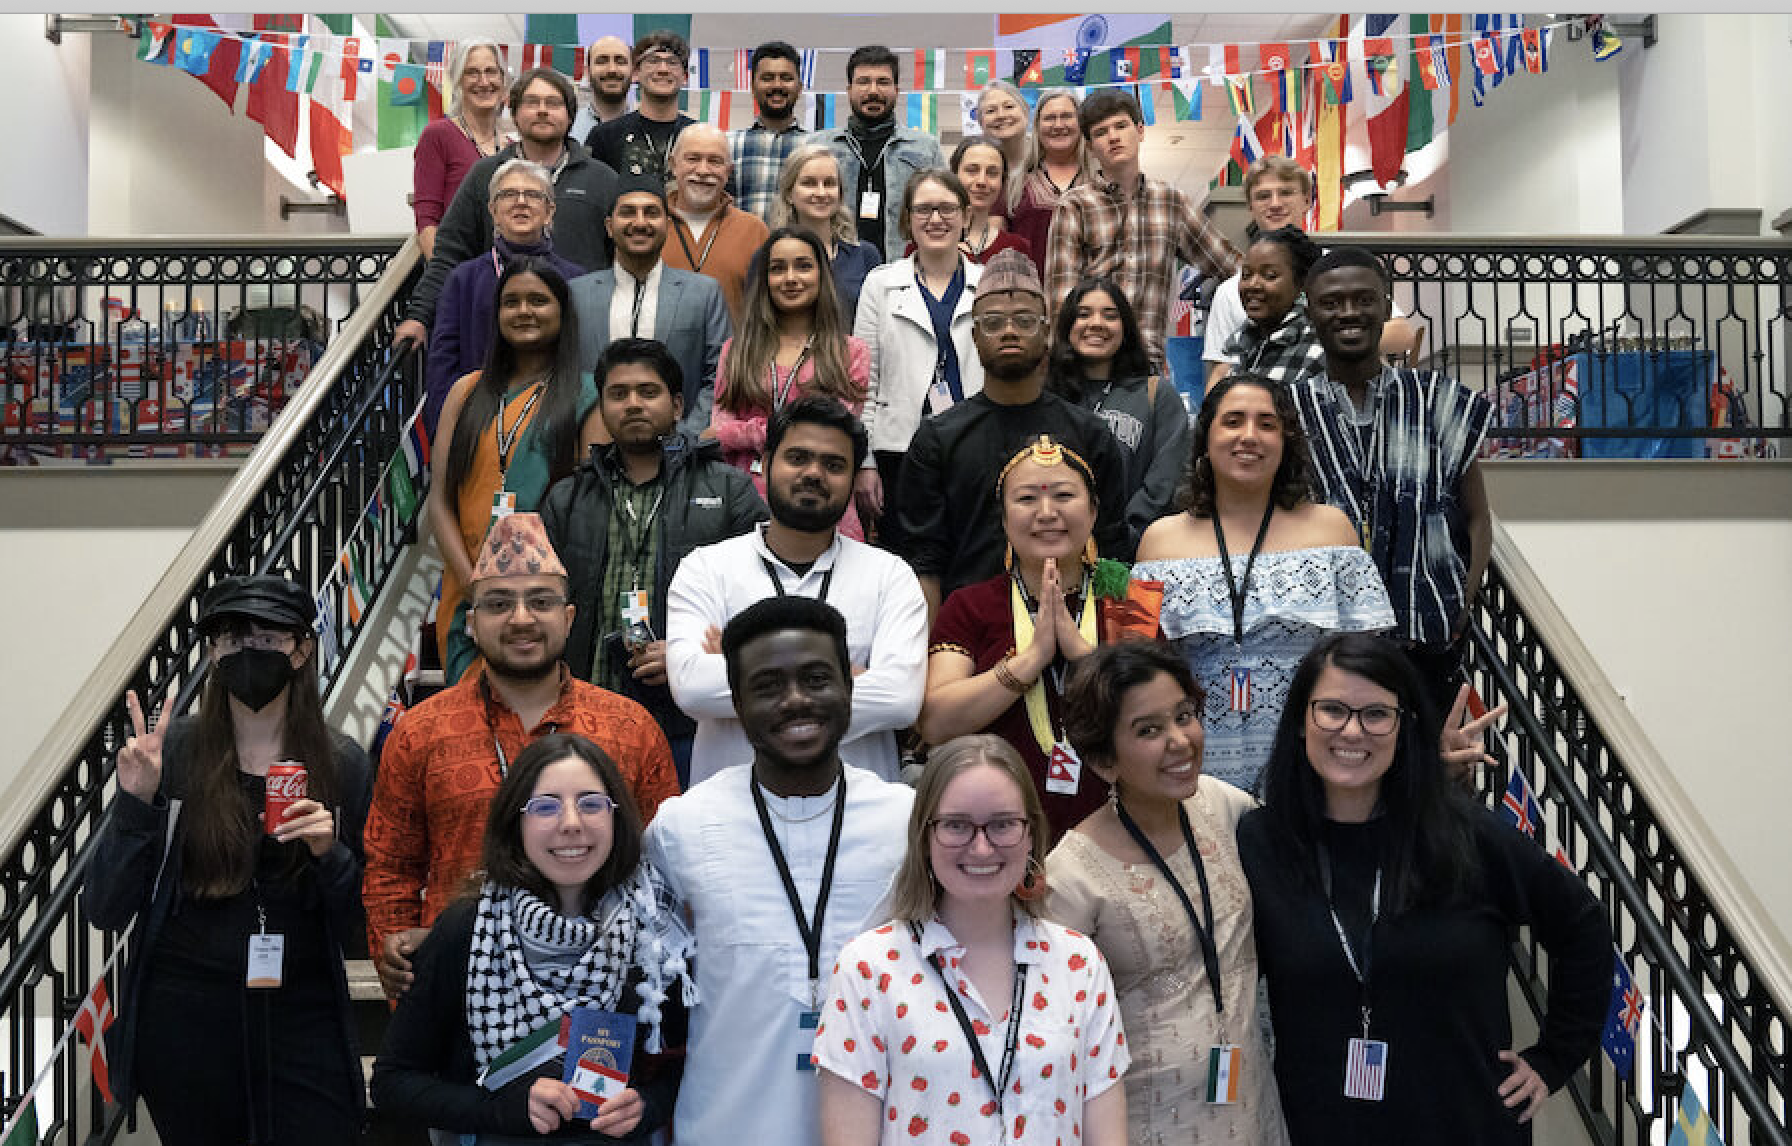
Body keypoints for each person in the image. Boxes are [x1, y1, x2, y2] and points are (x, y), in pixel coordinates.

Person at [1237, 633, 1613, 1145]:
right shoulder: (1261, 842)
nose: (1352, 730)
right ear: (1302, 722)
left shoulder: (1464, 835)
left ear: (1403, 727)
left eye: (1376, 714)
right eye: (1331, 710)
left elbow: (1582, 925)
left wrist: (1553, 1059)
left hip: (1465, 1126)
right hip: (1323, 1128)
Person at [85, 575, 372, 1145]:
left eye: (268, 639)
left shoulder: (341, 763)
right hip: (188, 1015)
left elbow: (361, 928)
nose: (249, 653)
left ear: (302, 648)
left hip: (301, 1008)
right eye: (232, 640)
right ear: (212, 652)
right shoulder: (174, 755)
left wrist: (328, 854)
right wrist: (136, 804)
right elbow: (105, 905)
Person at [364, 513, 678, 1003]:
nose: (522, 619)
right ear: (471, 623)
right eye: (498, 603)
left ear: (569, 618)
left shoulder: (630, 729)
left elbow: (663, 868)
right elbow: (390, 866)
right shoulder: (421, 731)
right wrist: (401, 969)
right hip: (459, 989)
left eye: (541, 601)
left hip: (600, 994)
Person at [644, 596, 915, 1146]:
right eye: (767, 686)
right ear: (738, 704)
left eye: (817, 678)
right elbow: (636, 983)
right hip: (724, 1128)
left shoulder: (908, 823)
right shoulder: (683, 828)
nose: (796, 700)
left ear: (848, 686)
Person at [370, 734, 694, 1144]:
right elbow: (392, 1082)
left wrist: (648, 1105)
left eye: (592, 803)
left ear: (617, 818)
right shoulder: (468, 928)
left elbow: (685, 1065)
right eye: (546, 806)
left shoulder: (651, 934)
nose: (572, 822)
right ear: (515, 822)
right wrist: (498, 1109)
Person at [813, 734, 1130, 1146]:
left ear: (1031, 833)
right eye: (957, 825)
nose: (981, 848)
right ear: (924, 837)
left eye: (1002, 824)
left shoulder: (1079, 963)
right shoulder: (869, 968)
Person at [1046, 639, 1288, 1145]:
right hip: (1147, 1122)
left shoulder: (1223, 806)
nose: (1180, 740)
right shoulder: (1071, 875)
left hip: (1251, 1108)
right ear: (1103, 758)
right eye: (1148, 730)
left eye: (1184, 716)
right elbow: (1053, 1033)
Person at [1131, 374, 1393, 793]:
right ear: (1206, 438)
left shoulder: (1332, 532)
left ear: (1286, 440)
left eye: (1267, 424)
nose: (1249, 436)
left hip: (1311, 768)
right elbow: (1136, 664)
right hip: (1193, 772)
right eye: (1233, 421)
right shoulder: (1158, 543)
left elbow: (1373, 666)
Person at [541, 338, 768, 787]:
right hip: (584, 716)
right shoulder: (567, 498)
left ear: (677, 404)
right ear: (601, 407)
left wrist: (689, 658)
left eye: (648, 392)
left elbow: (762, 603)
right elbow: (544, 602)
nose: (633, 404)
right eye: (618, 394)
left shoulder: (729, 491)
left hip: (689, 720)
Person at [667, 396, 927, 786]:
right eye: (798, 457)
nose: (814, 473)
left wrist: (745, 666)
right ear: (767, 464)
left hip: (858, 821)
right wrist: (843, 676)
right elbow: (692, 687)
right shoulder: (706, 569)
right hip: (732, 820)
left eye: (834, 465)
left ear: (855, 478)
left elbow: (900, 698)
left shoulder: (889, 575)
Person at [1291, 248, 1494, 712]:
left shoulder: (1440, 402)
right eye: (1332, 302)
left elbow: (1478, 514)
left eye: (1363, 300)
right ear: (1310, 313)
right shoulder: (1285, 411)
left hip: (1427, 637)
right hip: (1323, 641)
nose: (1348, 313)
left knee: (1424, 773)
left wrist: (1462, 601)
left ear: (1385, 306)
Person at [919, 435, 1136, 838]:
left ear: (1092, 514)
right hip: (997, 829)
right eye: (1026, 500)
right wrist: (1029, 661)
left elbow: (1151, 714)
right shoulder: (970, 605)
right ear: (1003, 521)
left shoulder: (1126, 598)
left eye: (1064, 495)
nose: (1047, 512)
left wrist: (1082, 655)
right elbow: (935, 722)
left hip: (1120, 825)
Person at [897, 249, 1132, 613]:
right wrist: (933, 655)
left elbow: (1111, 548)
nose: (1009, 331)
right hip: (971, 637)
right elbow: (924, 561)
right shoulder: (938, 439)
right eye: (993, 322)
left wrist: (1109, 652)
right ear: (974, 335)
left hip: (1076, 629)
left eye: (1024, 320)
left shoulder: (1089, 434)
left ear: (1046, 332)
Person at [428, 258, 599, 681]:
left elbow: (588, 510)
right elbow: (439, 501)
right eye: (512, 302)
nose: (524, 311)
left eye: (538, 301)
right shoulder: (465, 391)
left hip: (542, 602)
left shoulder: (588, 394)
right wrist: (475, 587)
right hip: (468, 592)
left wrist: (537, 597)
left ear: (563, 312)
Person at [395, 68, 619, 353]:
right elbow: (449, 254)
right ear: (514, 112)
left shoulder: (603, 180)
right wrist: (419, 316)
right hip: (495, 334)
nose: (542, 111)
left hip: (579, 334)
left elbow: (621, 261)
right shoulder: (484, 175)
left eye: (553, 103)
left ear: (570, 114)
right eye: (531, 102)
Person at [1044, 87, 1239, 373]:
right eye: (1100, 132)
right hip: (1090, 370)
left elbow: (1232, 268)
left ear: (1140, 130)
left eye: (1121, 126)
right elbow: (1061, 304)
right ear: (1089, 146)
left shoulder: (1172, 202)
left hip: (1149, 369)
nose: (1113, 137)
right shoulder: (1074, 206)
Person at [851, 170, 984, 554]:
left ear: (965, 217)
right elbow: (865, 383)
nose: (936, 219)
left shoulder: (989, 283)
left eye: (946, 208)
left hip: (973, 448)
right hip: (900, 453)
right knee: (908, 563)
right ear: (907, 219)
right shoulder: (880, 284)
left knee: (970, 560)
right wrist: (866, 461)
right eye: (923, 209)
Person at [713, 226, 871, 540]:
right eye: (777, 269)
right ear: (764, 280)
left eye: (803, 266)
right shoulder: (737, 349)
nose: (790, 278)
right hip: (745, 500)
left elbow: (830, 432)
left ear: (822, 275)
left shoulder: (849, 351)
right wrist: (778, 429)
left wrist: (752, 432)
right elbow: (716, 433)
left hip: (819, 494)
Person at [425, 158, 586, 435]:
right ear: (493, 211)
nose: (520, 202)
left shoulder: (575, 279)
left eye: (533, 195)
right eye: (508, 194)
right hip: (477, 423)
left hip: (553, 423)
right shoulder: (464, 279)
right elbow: (443, 362)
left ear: (549, 212)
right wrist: (448, 430)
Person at [569, 174, 731, 441]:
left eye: (651, 213)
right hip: (593, 452)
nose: (640, 222)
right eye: (628, 212)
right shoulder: (577, 294)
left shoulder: (703, 293)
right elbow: (564, 373)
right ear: (610, 226)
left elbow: (719, 375)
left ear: (667, 225)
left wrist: (685, 438)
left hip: (681, 454)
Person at [1046, 275, 1191, 537]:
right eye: (1083, 314)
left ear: (1125, 329)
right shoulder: (1047, 397)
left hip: (1135, 550)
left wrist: (1122, 533)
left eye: (1110, 315)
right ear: (1068, 326)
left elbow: (1167, 481)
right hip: (1057, 545)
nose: (1096, 324)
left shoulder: (1156, 394)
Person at [808, 45, 947, 261]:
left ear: (897, 90)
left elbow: (945, 208)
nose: (873, 91)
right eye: (863, 82)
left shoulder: (926, 148)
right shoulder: (818, 146)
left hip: (905, 269)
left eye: (883, 82)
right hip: (834, 268)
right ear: (849, 90)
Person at [1203, 156, 1316, 386]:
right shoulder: (1230, 291)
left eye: (1286, 193)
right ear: (1250, 207)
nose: (1275, 203)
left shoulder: (1335, 271)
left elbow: (1399, 333)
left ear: (1306, 200)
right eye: (1263, 196)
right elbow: (1220, 370)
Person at [413, 38, 508, 262]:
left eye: (491, 72)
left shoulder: (513, 146)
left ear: (503, 80)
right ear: (457, 81)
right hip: (459, 272)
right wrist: (448, 282)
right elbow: (427, 223)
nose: (484, 82)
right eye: (472, 73)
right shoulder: (438, 136)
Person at [769, 144, 884, 324]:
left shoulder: (865, 255)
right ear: (789, 194)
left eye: (829, 183)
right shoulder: (768, 257)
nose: (821, 193)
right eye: (809, 183)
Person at [1210, 225, 1330, 394]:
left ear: (1302, 283)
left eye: (1270, 275)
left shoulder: (1318, 351)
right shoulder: (1242, 345)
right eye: (1246, 275)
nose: (1253, 285)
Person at [584, 31, 695, 181]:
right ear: (635, 73)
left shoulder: (699, 136)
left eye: (672, 62)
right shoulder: (604, 136)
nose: (663, 70)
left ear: (685, 77)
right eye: (653, 61)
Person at [1008, 89, 1093, 260]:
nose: (1059, 125)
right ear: (1037, 126)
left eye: (1067, 116)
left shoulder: (1101, 179)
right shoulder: (1015, 183)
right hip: (1030, 285)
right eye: (1049, 118)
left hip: (1092, 286)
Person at [728, 41, 809, 220]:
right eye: (767, 78)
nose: (777, 85)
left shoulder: (815, 146)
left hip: (800, 247)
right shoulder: (728, 145)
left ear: (800, 87)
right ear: (753, 87)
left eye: (786, 78)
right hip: (744, 247)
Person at [929, 138, 1032, 267]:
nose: (982, 181)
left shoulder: (1017, 249)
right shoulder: (927, 242)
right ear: (954, 175)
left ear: (1002, 182)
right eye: (972, 170)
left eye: (992, 173)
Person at [973, 80, 1032, 211]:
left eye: (1009, 107)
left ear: (1026, 111)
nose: (1001, 115)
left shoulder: (1048, 157)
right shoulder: (972, 164)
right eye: (990, 111)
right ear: (980, 121)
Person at [571, 34, 633, 141]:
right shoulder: (569, 128)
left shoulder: (648, 127)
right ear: (587, 72)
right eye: (602, 61)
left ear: (633, 71)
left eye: (620, 61)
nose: (612, 69)